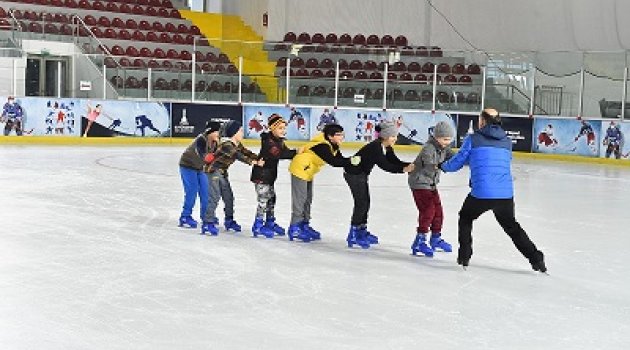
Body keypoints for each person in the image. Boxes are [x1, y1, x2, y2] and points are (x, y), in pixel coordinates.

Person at [440, 109, 547, 273]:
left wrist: (442, 166)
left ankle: (465, 255)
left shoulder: (473, 139)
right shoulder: (506, 141)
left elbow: (457, 163)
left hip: (482, 193)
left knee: (466, 217)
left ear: (483, 121)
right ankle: (536, 259)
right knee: (512, 227)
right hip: (505, 194)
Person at [343, 121, 414, 248]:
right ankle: (353, 234)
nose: (395, 139)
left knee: (366, 202)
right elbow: (385, 165)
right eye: (393, 136)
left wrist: (408, 165)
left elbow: (393, 160)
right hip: (354, 174)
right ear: (385, 136)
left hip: (360, 174)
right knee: (362, 203)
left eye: (395, 136)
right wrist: (403, 170)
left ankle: (361, 230)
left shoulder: (385, 146)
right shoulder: (375, 147)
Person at [287, 124, 359, 242]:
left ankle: (304, 225)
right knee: (300, 199)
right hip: (300, 168)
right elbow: (334, 162)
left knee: (308, 198)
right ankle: (294, 227)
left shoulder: (333, 145)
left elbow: (340, 159)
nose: (342, 137)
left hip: (308, 170)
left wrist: (351, 161)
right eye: (338, 135)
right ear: (330, 137)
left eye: (342, 134)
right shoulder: (322, 146)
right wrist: (351, 161)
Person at [202, 121, 264, 235]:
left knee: (229, 197)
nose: (242, 133)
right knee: (215, 197)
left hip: (222, 172)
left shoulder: (237, 144)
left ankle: (229, 220)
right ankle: (207, 222)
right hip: (213, 171)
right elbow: (238, 155)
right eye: (240, 130)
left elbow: (246, 152)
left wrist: (260, 158)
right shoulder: (227, 145)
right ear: (234, 133)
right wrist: (254, 162)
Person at [408, 121, 455, 257]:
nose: (447, 142)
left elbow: (456, 158)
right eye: (445, 139)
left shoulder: (444, 148)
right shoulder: (428, 148)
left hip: (431, 184)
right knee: (428, 210)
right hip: (419, 183)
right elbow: (430, 166)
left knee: (438, 212)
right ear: (437, 137)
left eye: (449, 139)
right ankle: (419, 241)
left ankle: (435, 238)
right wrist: (443, 167)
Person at [250, 114, 301, 238]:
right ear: (272, 128)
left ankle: (269, 222)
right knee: (263, 200)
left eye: (284, 128)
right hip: (261, 175)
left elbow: (286, 152)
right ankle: (257, 225)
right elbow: (279, 154)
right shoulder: (269, 142)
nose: (283, 130)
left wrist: (296, 154)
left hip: (270, 176)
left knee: (271, 199)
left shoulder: (279, 140)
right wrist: (295, 152)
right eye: (280, 128)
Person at [178, 120, 221, 229]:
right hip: (187, 166)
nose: (219, 134)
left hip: (199, 168)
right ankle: (185, 216)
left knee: (206, 191)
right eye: (217, 132)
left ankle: (206, 216)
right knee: (192, 190)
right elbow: (204, 156)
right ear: (211, 132)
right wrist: (211, 158)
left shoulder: (215, 143)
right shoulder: (201, 140)